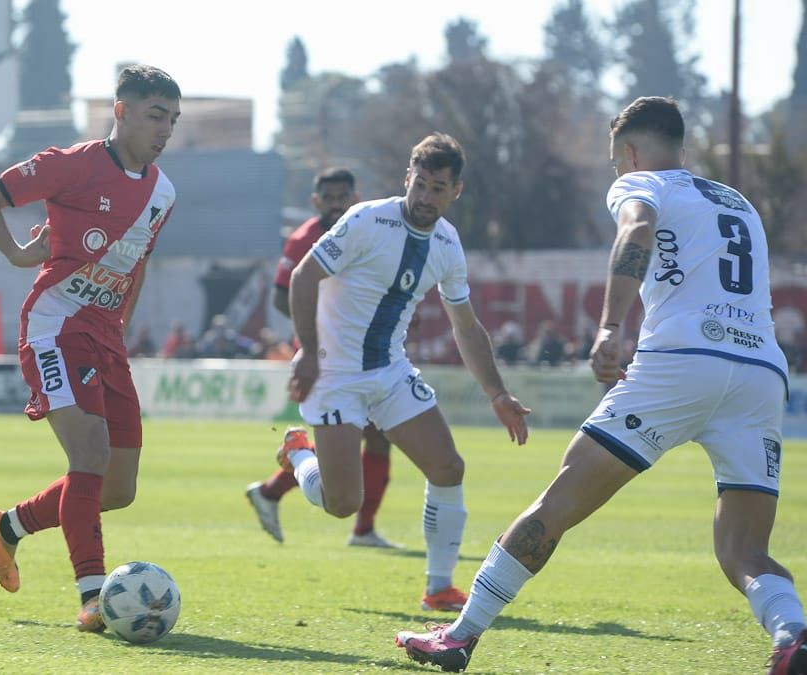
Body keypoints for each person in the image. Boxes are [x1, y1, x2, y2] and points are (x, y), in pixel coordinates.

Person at [395, 98, 806, 674]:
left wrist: (611, 326)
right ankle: (792, 635)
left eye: (616, 162)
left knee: (558, 501)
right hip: (761, 372)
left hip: (683, 362)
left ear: (630, 153)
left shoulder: (641, 184)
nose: (617, 172)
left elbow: (637, 229)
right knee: (744, 550)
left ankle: (459, 635)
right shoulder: (738, 202)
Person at [0, 65, 180, 632]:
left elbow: (136, 262)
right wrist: (18, 254)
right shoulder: (70, 164)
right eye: (156, 116)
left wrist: (121, 325)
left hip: (106, 338)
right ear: (121, 112)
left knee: (118, 488)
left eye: (173, 120)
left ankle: (7, 526)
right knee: (89, 458)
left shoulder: (163, 192)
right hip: (55, 327)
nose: (165, 130)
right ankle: (92, 596)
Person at [284, 134, 531, 613]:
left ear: (455, 191)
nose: (425, 197)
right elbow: (303, 277)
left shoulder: (447, 243)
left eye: (437, 189)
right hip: (334, 373)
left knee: (448, 467)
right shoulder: (366, 219)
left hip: (390, 371)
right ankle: (298, 454)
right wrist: (309, 352)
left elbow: (466, 326)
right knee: (342, 504)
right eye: (420, 184)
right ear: (407, 179)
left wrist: (497, 394)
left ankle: (439, 588)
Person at [245, 167, 405, 549]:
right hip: (326, 355)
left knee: (372, 436)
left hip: (363, 351)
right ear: (316, 202)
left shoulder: (366, 229)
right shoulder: (304, 239)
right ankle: (356, 525)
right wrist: (322, 328)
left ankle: (276, 492)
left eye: (342, 197)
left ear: (355, 198)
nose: (335, 204)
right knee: (355, 433)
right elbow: (281, 296)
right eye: (328, 198)